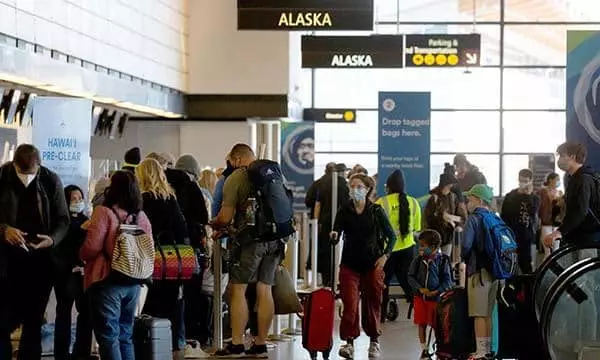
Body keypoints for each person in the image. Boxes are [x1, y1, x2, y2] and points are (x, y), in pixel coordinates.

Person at [211, 143, 284, 358]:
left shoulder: (236, 178)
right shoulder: (273, 174)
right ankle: (260, 344)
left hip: (251, 241)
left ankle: (236, 343)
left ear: (236, 160)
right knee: (265, 289)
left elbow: (224, 217)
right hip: (276, 239)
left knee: (238, 290)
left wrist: (215, 225)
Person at [0, 144, 70, 360]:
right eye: (23, 174)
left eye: (32, 173)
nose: (27, 178)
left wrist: (52, 239)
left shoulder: (51, 180)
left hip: (41, 261)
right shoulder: (2, 178)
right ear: (14, 165)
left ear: (39, 165)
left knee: (33, 320)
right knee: (3, 319)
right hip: (6, 262)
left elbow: (63, 218)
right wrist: (4, 230)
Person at [80, 170, 152, 360]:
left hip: (107, 280)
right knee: (125, 335)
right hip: (134, 282)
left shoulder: (104, 212)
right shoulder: (141, 217)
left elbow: (92, 247)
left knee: (109, 337)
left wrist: (80, 254)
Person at [331, 173, 396, 359]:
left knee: (373, 303)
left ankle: (374, 341)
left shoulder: (376, 211)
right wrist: (334, 235)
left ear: (367, 190)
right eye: (352, 186)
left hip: (372, 264)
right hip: (349, 264)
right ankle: (349, 342)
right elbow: (337, 230)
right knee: (350, 304)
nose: (355, 190)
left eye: (359, 187)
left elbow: (391, 236)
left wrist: (385, 256)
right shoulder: (344, 210)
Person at [136, 158, 189, 356]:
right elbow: (181, 229)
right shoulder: (171, 198)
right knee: (173, 302)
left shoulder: (141, 200)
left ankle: (150, 341)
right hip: (173, 258)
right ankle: (173, 343)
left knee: (150, 301)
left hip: (151, 256)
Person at [54, 185, 94, 360]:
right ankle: (61, 353)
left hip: (83, 274)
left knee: (85, 313)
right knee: (63, 313)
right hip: (64, 274)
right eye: (73, 199)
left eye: (80, 198)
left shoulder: (88, 221)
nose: (78, 202)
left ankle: (81, 353)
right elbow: (58, 249)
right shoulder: (61, 223)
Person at [376, 170, 421, 321]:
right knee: (409, 281)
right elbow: (416, 228)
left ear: (388, 186)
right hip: (408, 248)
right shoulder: (414, 203)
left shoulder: (381, 202)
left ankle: (381, 315)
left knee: (383, 282)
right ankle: (419, 312)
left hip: (386, 250)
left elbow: (374, 228)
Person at [461, 184, 500, 360]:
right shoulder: (494, 217)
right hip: (495, 272)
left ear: (478, 200)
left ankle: (480, 352)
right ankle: (488, 350)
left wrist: (464, 259)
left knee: (478, 314)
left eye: (469, 199)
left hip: (478, 272)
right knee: (488, 313)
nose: (467, 202)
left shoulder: (473, 219)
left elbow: (466, 246)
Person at [407, 230, 453, 359]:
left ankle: (439, 348)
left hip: (436, 300)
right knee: (421, 323)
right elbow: (410, 276)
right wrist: (419, 288)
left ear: (433, 247)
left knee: (437, 325)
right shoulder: (418, 260)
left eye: (423, 245)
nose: (420, 248)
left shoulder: (443, 260)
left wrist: (438, 291)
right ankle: (424, 349)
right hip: (420, 299)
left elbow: (447, 280)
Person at [544, 142, 600, 247]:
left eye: (562, 155)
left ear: (572, 157)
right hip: (580, 236)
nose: (559, 160)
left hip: (588, 239)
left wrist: (559, 232)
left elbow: (580, 210)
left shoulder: (583, 179)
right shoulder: (575, 179)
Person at [501, 169, 540, 274]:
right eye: (521, 180)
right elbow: (504, 214)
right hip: (510, 234)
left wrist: (528, 196)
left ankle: (527, 288)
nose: (522, 183)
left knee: (526, 263)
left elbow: (533, 212)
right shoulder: (510, 196)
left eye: (525, 181)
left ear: (531, 181)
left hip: (526, 235)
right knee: (510, 263)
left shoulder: (534, 198)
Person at [424, 172, 467, 256]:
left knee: (445, 260)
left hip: (448, 236)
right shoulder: (434, 198)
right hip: (434, 236)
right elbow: (428, 218)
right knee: (432, 260)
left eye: (450, 186)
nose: (449, 187)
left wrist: (459, 225)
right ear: (443, 185)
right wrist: (442, 217)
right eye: (448, 185)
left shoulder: (453, 197)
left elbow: (462, 217)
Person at [537, 172, 563, 259]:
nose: (559, 181)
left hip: (557, 224)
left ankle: (555, 271)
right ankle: (545, 271)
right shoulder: (542, 192)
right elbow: (538, 207)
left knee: (556, 250)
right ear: (550, 180)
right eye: (557, 179)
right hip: (546, 223)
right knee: (548, 251)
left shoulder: (560, 192)